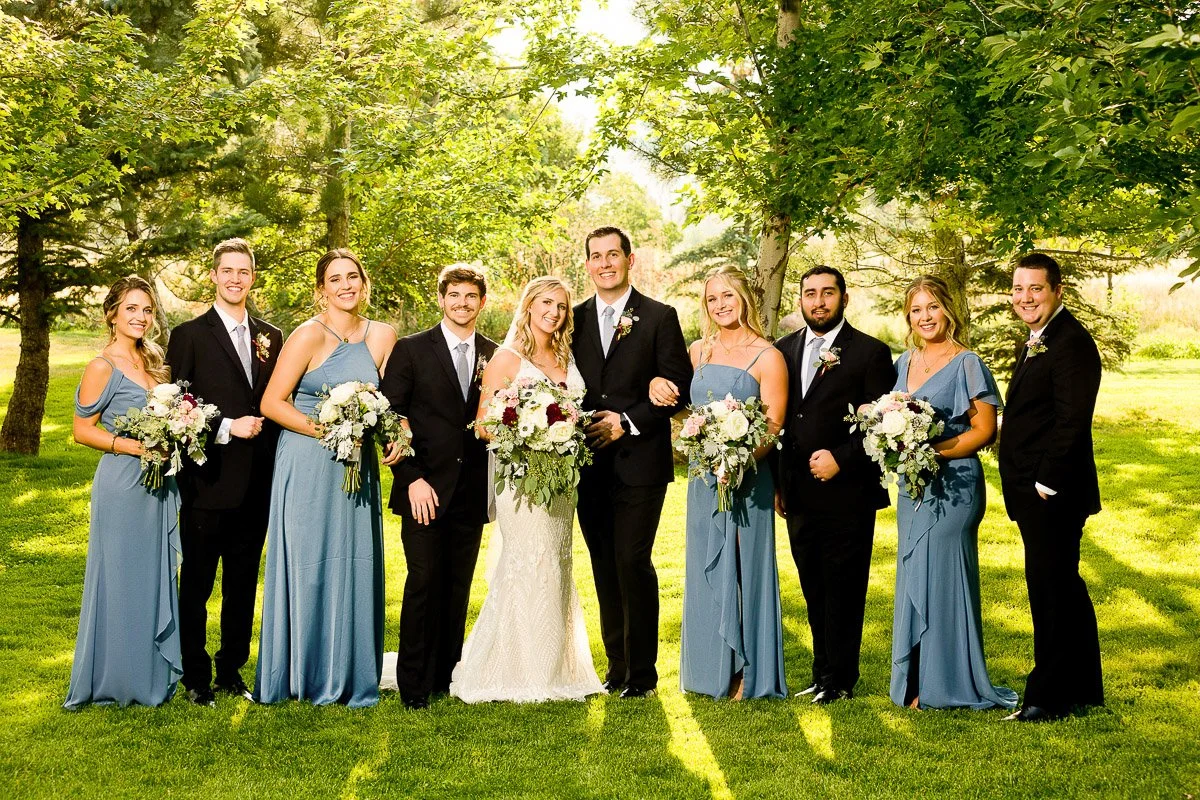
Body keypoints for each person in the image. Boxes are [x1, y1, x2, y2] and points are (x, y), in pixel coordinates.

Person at [448, 276, 605, 703]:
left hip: (562, 482)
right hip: (523, 482)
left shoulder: (565, 353)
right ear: (529, 306)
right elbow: (483, 424)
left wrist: (561, 435)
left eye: (561, 306)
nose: (553, 312)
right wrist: (529, 435)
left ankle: (556, 666)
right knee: (528, 563)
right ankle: (518, 667)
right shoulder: (507, 357)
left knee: (557, 563)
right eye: (546, 303)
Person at [254, 249, 400, 707]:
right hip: (308, 458)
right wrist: (329, 430)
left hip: (358, 465)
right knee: (309, 563)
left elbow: (388, 402)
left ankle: (351, 672)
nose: (345, 286)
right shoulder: (307, 335)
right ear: (321, 289)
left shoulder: (383, 335)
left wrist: (395, 431)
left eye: (352, 276)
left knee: (353, 562)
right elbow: (272, 403)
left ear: (364, 281)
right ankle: (301, 672)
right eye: (334, 279)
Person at [649, 265, 789, 700]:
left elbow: (773, 425)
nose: (721, 305)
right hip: (703, 480)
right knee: (706, 567)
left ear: (744, 298)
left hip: (747, 479)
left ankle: (750, 671)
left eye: (728, 296)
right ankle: (709, 670)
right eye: (712, 298)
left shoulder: (768, 356)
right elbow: (681, 410)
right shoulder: (698, 352)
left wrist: (737, 458)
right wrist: (687, 428)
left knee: (747, 571)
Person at [573, 226, 693, 698]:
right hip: (586, 463)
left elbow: (677, 380)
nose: (605, 263)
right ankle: (616, 668)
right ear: (587, 264)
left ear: (630, 259)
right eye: (596, 256)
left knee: (632, 561)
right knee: (603, 565)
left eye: (613, 255)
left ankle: (642, 675)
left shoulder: (659, 316)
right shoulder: (574, 318)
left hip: (640, 461)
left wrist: (628, 419)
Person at [888, 275, 1017, 711]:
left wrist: (930, 450)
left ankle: (947, 682)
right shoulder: (902, 362)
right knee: (913, 573)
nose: (925, 317)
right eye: (917, 309)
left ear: (948, 310)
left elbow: (985, 429)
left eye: (933, 307)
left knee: (942, 576)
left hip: (954, 484)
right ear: (909, 316)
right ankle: (915, 680)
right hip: (912, 486)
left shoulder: (968, 363)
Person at [166, 238, 282, 706]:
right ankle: (195, 677)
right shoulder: (189, 334)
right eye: (227, 271)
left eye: (244, 271)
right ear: (214, 276)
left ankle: (232, 671)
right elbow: (177, 406)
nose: (235, 279)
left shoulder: (271, 336)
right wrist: (229, 426)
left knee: (241, 584)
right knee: (196, 584)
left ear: (253, 278)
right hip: (207, 480)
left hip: (257, 483)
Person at [380, 264, 498, 710]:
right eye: (454, 295)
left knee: (457, 587)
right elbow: (390, 417)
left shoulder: (493, 353)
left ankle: (445, 676)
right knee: (424, 582)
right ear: (441, 299)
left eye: (471, 296)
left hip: (469, 491)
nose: (462, 303)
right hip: (422, 488)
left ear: (481, 303)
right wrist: (410, 479)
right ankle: (413, 686)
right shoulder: (410, 351)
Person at [775, 265, 894, 705]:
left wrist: (841, 459)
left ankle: (841, 679)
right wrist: (777, 483)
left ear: (844, 297)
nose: (819, 301)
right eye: (810, 294)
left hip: (848, 491)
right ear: (800, 299)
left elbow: (884, 424)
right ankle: (822, 671)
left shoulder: (871, 352)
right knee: (812, 584)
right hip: (797, 490)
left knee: (843, 585)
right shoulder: (783, 350)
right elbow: (782, 418)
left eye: (828, 293)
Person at [65, 275, 183, 708]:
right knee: (119, 580)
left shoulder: (152, 360)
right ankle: (116, 677)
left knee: (151, 576)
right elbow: (82, 430)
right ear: (112, 313)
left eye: (147, 310)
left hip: (157, 484)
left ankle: (150, 672)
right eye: (131, 308)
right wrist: (131, 445)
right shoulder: (103, 365)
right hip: (122, 482)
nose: (140, 317)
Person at [999, 253, 1104, 722]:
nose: (1026, 298)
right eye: (1019, 289)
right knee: (1065, 587)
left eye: (1035, 289)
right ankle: (1082, 688)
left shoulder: (1071, 343)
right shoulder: (1039, 339)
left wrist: (1045, 481)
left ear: (1057, 290)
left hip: (1052, 491)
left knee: (1050, 590)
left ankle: (1047, 697)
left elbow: (1072, 421)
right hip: (1034, 489)